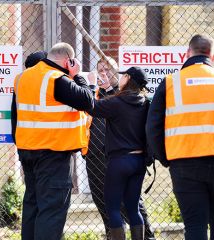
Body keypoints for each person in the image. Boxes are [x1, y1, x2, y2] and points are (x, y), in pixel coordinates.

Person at [146, 34, 214, 240]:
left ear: (187, 54)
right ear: (213, 56)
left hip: (184, 164)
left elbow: (152, 128)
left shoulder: (170, 83)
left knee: (195, 224)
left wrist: (165, 158)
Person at [12, 44, 94, 240]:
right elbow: (88, 101)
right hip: (53, 154)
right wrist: (78, 76)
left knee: (33, 206)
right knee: (51, 211)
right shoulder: (57, 79)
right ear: (68, 61)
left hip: (27, 151)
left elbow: (14, 115)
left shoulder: (23, 77)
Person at [85, 57, 155, 240]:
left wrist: (92, 87)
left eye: (124, 76)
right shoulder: (145, 102)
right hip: (138, 161)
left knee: (113, 208)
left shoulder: (118, 103)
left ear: (129, 80)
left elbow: (93, 107)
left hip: (119, 162)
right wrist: (109, 89)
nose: (121, 78)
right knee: (133, 208)